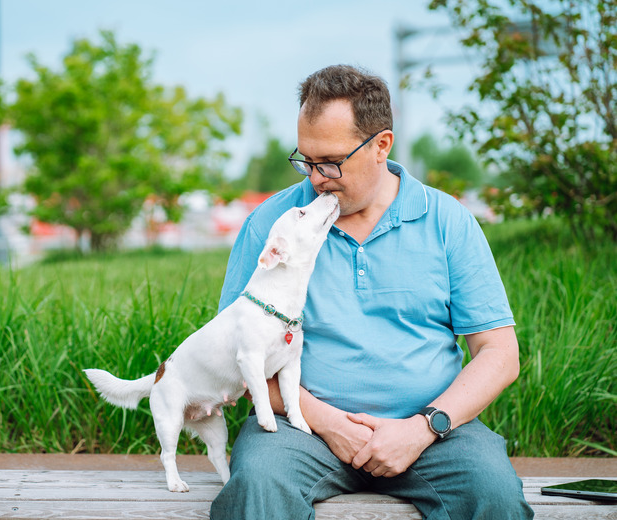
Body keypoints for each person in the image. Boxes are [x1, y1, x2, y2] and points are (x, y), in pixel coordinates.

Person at [210, 65, 533, 520]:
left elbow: (499, 354)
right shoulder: (271, 224)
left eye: (332, 161)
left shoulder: (448, 221)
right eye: (306, 159)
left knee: (495, 496)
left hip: (436, 434)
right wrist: (329, 424)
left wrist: (424, 428)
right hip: (301, 430)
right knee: (257, 490)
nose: (317, 177)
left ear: (381, 145)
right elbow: (235, 355)